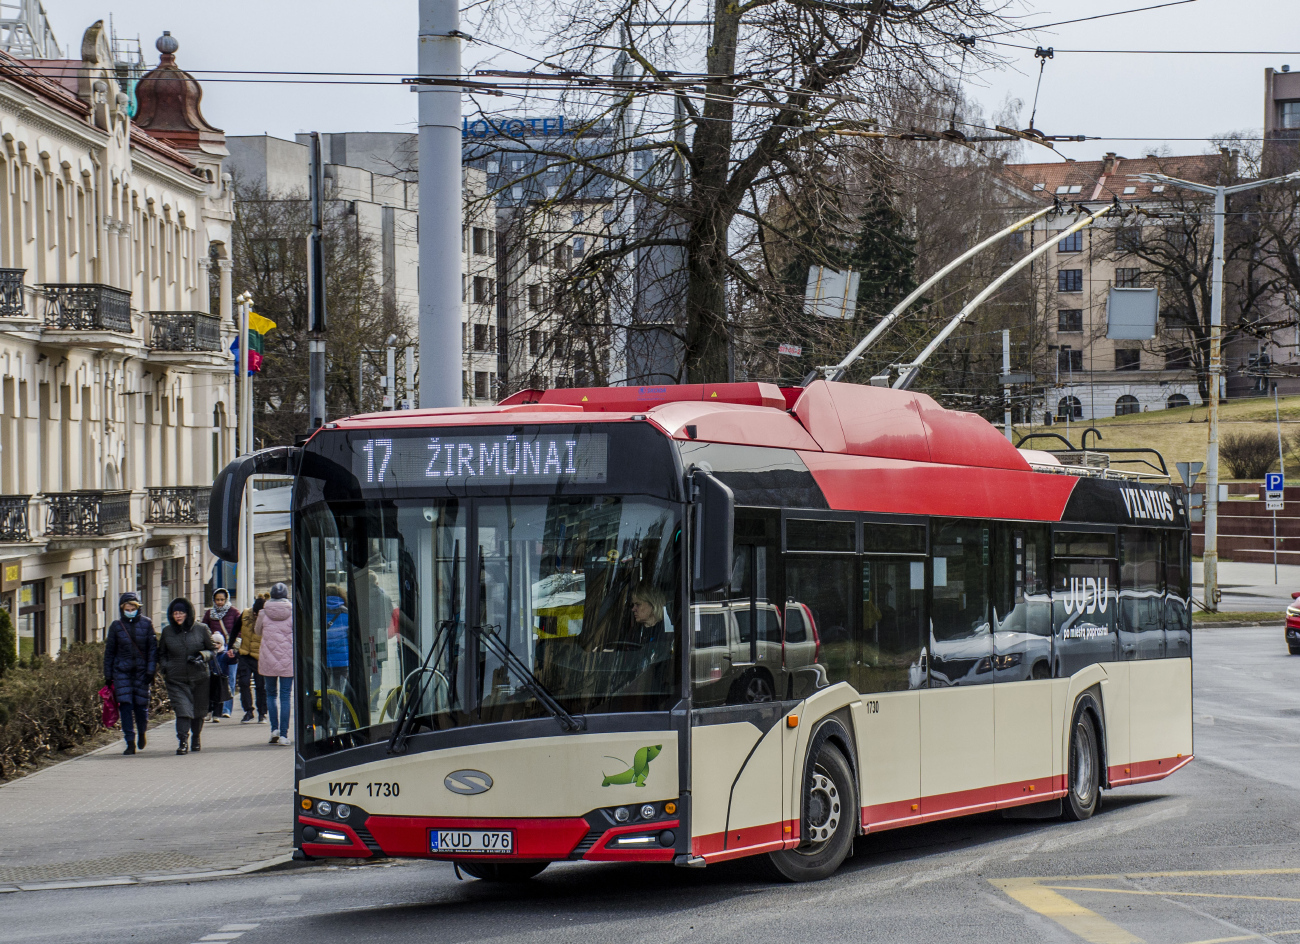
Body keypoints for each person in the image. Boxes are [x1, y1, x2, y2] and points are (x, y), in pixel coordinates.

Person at [156, 597, 215, 754]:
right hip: (176, 679)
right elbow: (161, 653)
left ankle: (196, 738)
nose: (178, 616)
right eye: (175, 613)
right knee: (183, 711)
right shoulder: (168, 632)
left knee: (198, 711)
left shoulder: (201, 629)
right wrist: (166, 667)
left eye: (181, 612)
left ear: (188, 614)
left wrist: (202, 656)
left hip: (200, 677)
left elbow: (212, 650)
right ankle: (183, 741)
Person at [102, 592, 157, 755]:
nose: (130, 610)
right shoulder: (116, 626)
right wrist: (108, 674)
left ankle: (142, 733)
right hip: (122, 673)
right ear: (122, 609)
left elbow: (152, 650)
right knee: (125, 707)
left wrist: (150, 671)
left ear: (138, 608)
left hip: (141, 672)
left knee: (141, 707)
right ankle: (129, 741)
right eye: (127, 608)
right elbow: (109, 652)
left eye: (133, 608)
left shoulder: (147, 624)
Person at [256, 582, 294, 744]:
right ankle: (284, 735)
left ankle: (274, 730)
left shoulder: (263, 613)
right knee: (285, 696)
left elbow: (258, 631)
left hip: (268, 659)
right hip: (288, 659)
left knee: (271, 695)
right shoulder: (292, 612)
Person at [201, 589, 241, 718]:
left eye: (222, 600)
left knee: (230, 679)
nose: (219, 602)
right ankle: (215, 707)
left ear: (226, 599)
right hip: (215, 652)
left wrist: (234, 647)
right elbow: (204, 630)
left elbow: (240, 630)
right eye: (217, 600)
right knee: (216, 679)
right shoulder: (209, 614)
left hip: (230, 651)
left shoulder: (234, 612)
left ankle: (227, 709)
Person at [237, 594, 269, 723]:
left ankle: (262, 713)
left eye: (258, 614)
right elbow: (235, 629)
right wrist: (230, 646)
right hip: (245, 654)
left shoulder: (268, 617)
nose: (256, 617)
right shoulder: (245, 614)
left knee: (261, 685)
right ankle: (248, 711)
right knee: (244, 683)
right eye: (255, 614)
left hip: (261, 656)